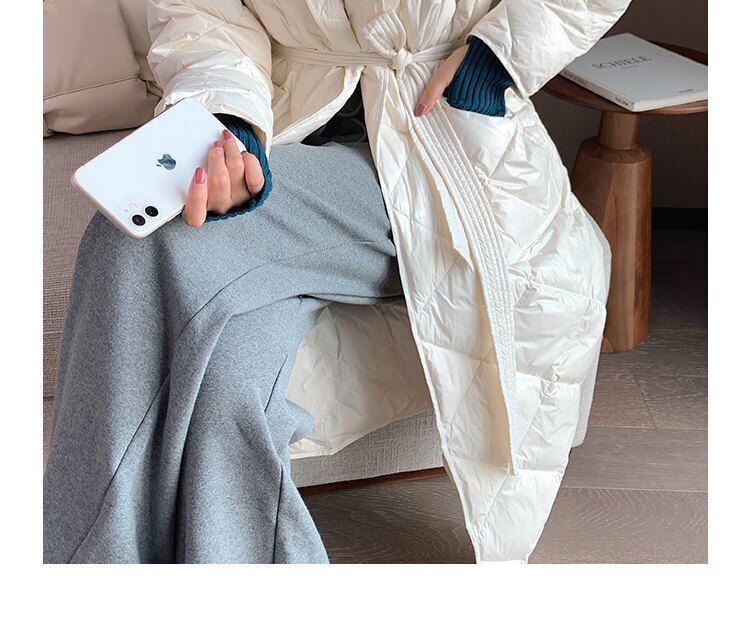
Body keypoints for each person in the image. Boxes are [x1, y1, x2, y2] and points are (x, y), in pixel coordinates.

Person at [44, 0, 630, 564]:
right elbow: (207, 14)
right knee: (227, 371)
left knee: (136, 240)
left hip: (437, 142)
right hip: (290, 130)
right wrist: (229, 121)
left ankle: (80, 569)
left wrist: (498, 52)